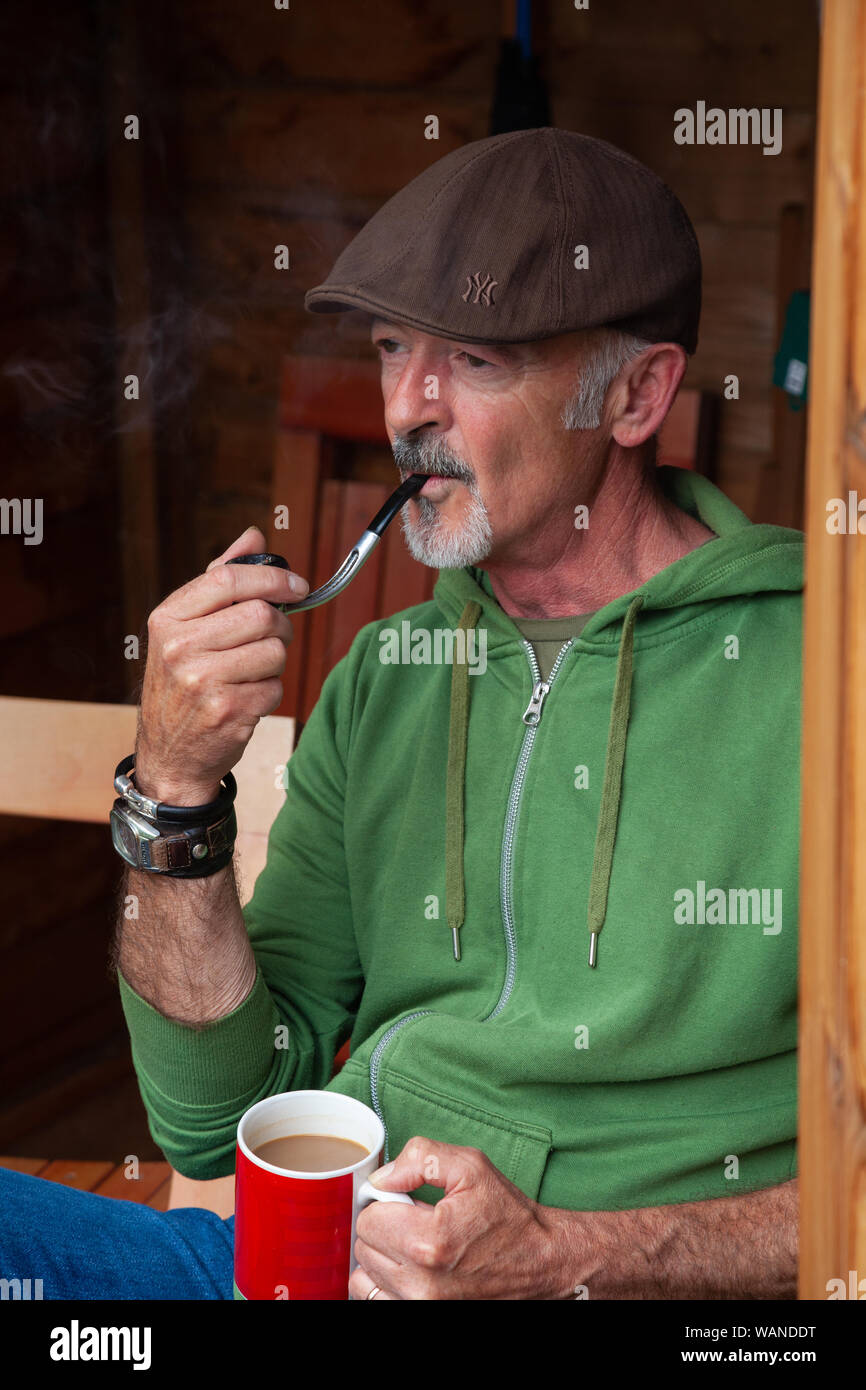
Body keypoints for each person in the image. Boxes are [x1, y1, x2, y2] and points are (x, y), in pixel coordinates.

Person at [0, 128, 800, 1300]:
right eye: (390, 349)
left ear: (635, 394)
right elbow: (218, 1116)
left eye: (471, 359)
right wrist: (170, 792)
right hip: (317, 1270)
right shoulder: (390, 671)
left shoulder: (822, 679)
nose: (407, 409)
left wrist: (573, 1259)